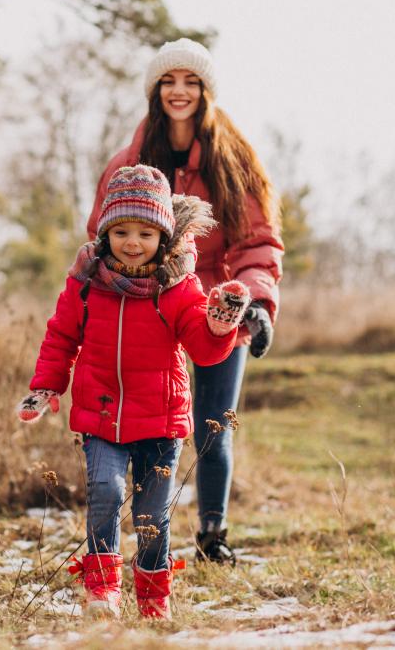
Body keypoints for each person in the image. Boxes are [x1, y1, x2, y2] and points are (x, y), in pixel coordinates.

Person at [17, 164, 251, 620]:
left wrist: (220, 324)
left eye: (145, 232)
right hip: (100, 414)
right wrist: (45, 386)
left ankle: (152, 599)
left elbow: (203, 350)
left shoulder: (180, 288)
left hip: (160, 422)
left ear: (163, 236)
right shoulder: (87, 283)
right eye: (121, 231)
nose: (132, 242)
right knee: (104, 489)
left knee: (151, 517)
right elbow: (61, 336)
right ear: (105, 233)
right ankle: (101, 592)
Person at [87, 38, 284, 566]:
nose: (179, 91)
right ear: (155, 91)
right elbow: (99, 241)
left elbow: (256, 242)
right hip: (149, 309)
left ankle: (212, 534)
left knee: (214, 423)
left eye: (191, 81)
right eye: (169, 82)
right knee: (149, 425)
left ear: (206, 91)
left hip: (219, 309)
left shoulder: (234, 161)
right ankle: (139, 537)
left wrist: (257, 302)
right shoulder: (128, 163)